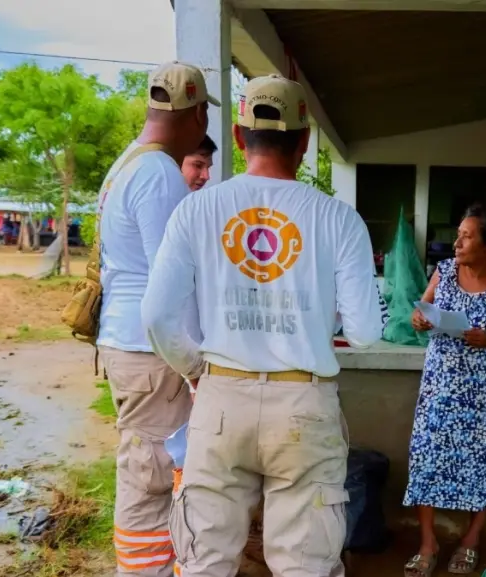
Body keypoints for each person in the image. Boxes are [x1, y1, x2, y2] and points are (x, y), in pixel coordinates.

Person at [141, 74, 382, 577]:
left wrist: (195, 369)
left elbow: (157, 317)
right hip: (304, 406)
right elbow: (364, 332)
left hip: (221, 398)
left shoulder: (196, 209)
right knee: (306, 567)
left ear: (236, 136)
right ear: (304, 141)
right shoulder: (339, 219)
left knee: (206, 562)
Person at [96, 60, 216, 577]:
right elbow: (170, 290)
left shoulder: (127, 163)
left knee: (145, 471)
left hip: (127, 346)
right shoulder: (159, 173)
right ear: (197, 114)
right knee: (156, 481)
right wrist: (193, 364)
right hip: (151, 353)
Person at [403, 204, 486, 577]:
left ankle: (472, 540)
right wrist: (421, 319)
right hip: (440, 386)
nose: (456, 242)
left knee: (484, 461)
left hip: (484, 391)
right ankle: (428, 543)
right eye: (458, 234)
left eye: (466, 236)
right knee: (426, 457)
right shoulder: (443, 272)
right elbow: (419, 312)